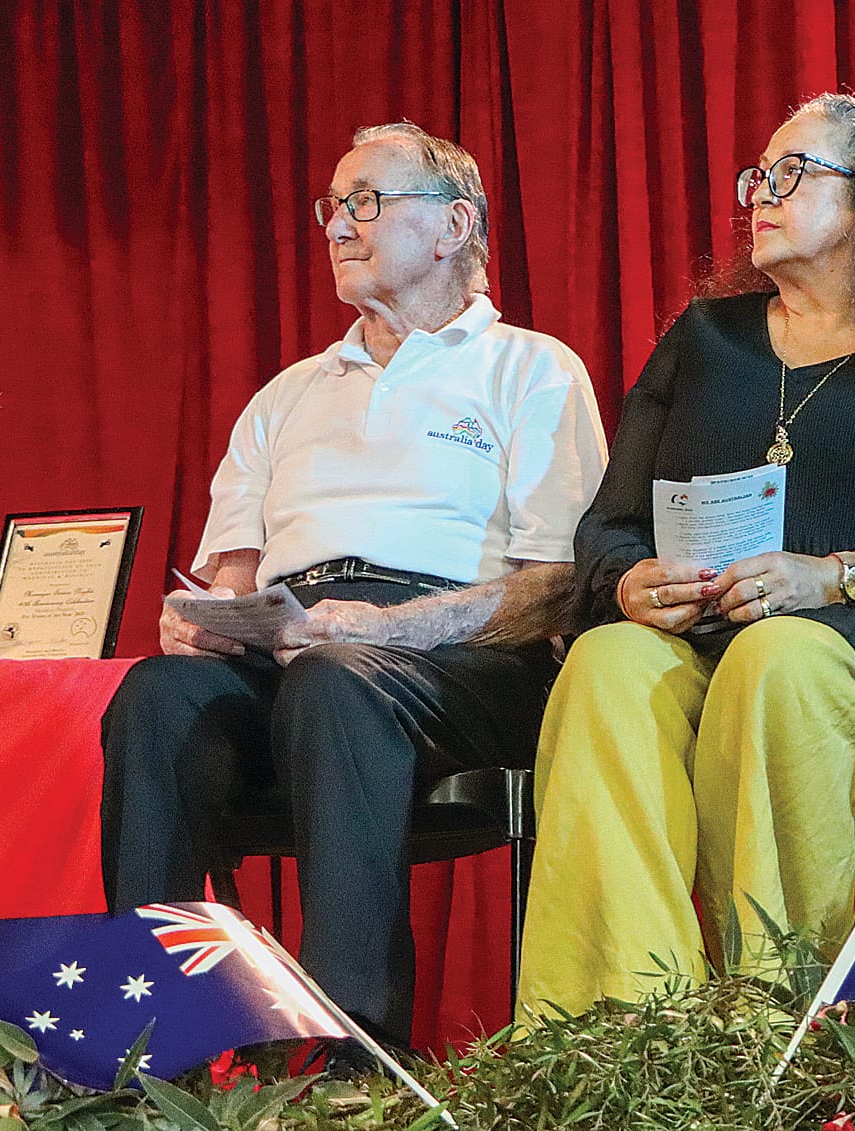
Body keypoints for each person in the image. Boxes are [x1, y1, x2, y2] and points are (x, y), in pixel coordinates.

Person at [516, 86, 855, 1017]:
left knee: (778, 658)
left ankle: (770, 1022)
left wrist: (839, 574)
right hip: (699, 634)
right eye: (756, 176)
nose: (758, 195)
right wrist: (628, 581)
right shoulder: (705, 339)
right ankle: (624, 1031)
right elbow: (609, 524)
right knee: (606, 664)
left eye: (791, 173)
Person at [99, 122, 606, 1055]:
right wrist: (205, 622)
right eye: (334, 206)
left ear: (454, 226)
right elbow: (232, 573)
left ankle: (353, 1055)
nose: (338, 224)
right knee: (156, 695)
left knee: (340, 675)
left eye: (367, 200)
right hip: (297, 644)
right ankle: (148, 1041)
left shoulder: (531, 368)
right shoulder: (288, 393)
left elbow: (557, 586)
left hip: (462, 660)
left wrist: (394, 628)